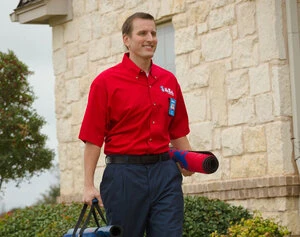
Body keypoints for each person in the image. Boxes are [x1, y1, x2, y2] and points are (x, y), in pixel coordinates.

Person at [79, 12, 194, 237]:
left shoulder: (169, 81)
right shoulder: (105, 82)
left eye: (153, 33)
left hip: (165, 174)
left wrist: (189, 159)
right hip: (124, 176)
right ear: (127, 40)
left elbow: (177, 130)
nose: (149, 38)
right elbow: (93, 138)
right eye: (142, 33)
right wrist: (88, 185)